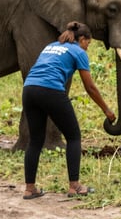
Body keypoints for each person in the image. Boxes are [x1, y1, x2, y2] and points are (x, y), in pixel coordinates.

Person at [22, 20, 116, 199]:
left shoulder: (50, 46)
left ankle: (29, 189)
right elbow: (90, 87)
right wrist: (107, 110)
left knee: (35, 140)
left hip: (29, 89)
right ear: (82, 39)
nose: (87, 47)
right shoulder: (78, 51)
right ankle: (75, 186)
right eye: (88, 43)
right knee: (73, 136)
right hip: (51, 90)